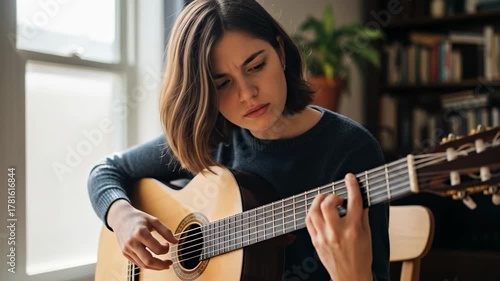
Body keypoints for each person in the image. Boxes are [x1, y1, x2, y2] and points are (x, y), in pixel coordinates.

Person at [87, 0, 390, 280]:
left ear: (281, 52)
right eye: (222, 83)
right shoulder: (211, 139)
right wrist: (122, 216)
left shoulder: (350, 150)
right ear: (203, 92)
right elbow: (107, 171)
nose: (247, 94)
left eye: (257, 66)